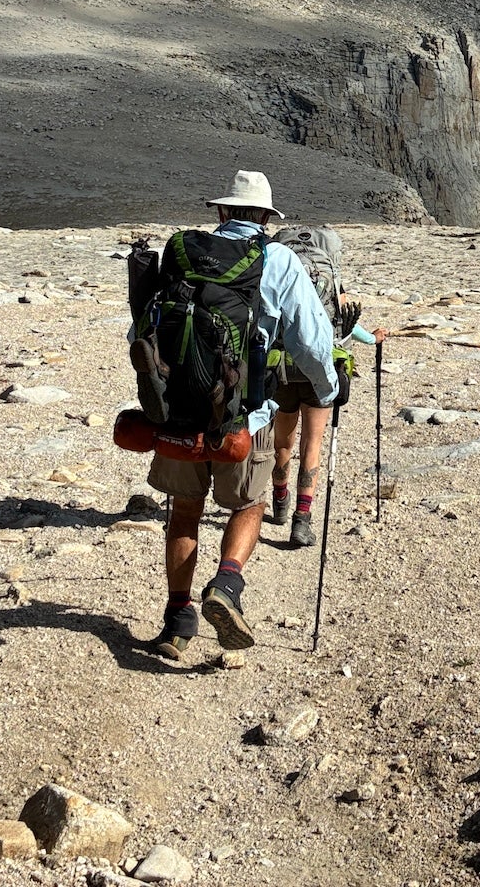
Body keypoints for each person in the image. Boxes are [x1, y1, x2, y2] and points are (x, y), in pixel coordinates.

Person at [147, 171, 338, 660]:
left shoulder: (184, 254)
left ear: (221, 212)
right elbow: (311, 341)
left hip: (180, 413)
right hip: (244, 418)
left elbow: (143, 327)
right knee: (247, 505)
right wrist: (327, 388)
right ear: (266, 218)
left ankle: (177, 618)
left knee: (185, 511)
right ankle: (227, 585)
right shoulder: (279, 260)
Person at [266, 226, 376, 549]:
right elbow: (345, 326)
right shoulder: (331, 275)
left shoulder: (282, 270)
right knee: (311, 445)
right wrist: (373, 338)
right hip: (320, 369)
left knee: (283, 442)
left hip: (283, 366)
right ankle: (302, 519)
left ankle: (280, 499)